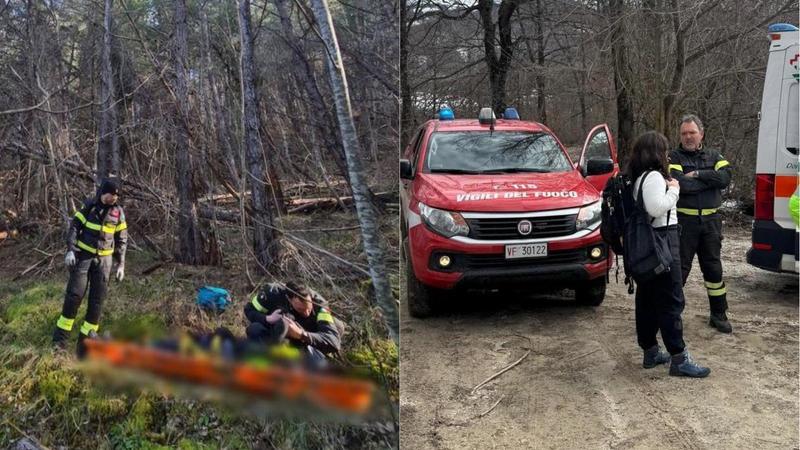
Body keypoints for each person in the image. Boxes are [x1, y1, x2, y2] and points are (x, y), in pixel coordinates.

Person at [629, 131, 710, 378]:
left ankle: (651, 351)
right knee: (671, 299)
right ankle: (679, 357)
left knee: (647, 299)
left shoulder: (639, 176)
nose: (667, 154)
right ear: (655, 153)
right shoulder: (653, 177)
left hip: (650, 245)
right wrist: (674, 190)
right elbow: (656, 208)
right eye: (663, 150)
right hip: (663, 241)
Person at [668, 114, 733, 333]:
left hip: (711, 223)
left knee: (713, 269)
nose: (688, 137)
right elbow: (682, 185)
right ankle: (671, 316)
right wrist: (708, 181)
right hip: (684, 223)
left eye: (692, 133)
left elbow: (725, 178)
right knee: (679, 271)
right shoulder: (672, 157)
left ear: (701, 134)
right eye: (684, 133)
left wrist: (697, 174)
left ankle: (719, 314)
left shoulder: (715, 155)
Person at [53, 177, 128, 356]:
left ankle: (84, 352)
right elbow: (74, 227)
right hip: (84, 259)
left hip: (105, 263)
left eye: (117, 196)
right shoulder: (89, 206)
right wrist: (71, 250)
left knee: (96, 305)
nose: (114, 198)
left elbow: (122, 239)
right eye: (112, 194)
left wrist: (121, 265)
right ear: (104, 192)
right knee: (73, 298)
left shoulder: (118, 213)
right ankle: (59, 346)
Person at [244, 281, 341, 362]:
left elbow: (333, 341)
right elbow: (249, 310)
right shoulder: (272, 293)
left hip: (307, 336)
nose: (306, 313)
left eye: (309, 308)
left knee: (337, 325)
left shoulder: (319, 305)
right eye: (300, 309)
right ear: (289, 299)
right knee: (254, 329)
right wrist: (267, 319)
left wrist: (301, 334)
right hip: (274, 334)